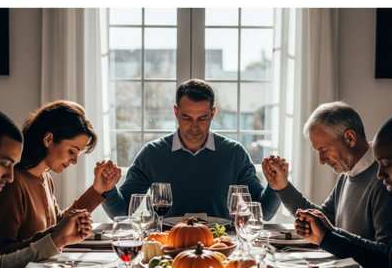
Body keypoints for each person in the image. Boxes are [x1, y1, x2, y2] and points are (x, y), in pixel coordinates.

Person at [101, 78, 280, 221]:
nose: (194, 127)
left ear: (213, 113)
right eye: (187, 117)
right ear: (176, 112)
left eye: (202, 118)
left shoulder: (234, 153)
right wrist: (108, 189)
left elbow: (263, 212)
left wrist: (275, 185)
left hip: (221, 246)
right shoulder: (152, 153)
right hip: (166, 245)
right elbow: (121, 211)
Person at [294, 111, 392, 268]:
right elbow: (385, 260)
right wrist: (329, 235)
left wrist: (329, 237)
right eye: (378, 164)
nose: (379, 174)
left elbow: (382, 262)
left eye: (386, 164)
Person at [0, 109, 93, 268]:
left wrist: (57, 239)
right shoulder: (6, 189)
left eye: (14, 166)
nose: (10, 177)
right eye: (4, 164)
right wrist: (54, 238)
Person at [262, 101, 392, 251]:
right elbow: (324, 219)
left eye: (324, 149)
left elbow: (385, 253)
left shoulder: (384, 180)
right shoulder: (347, 174)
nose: (321, 160)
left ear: (350, 138)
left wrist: (331, 235)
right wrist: (283, 187)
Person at [0, 100, 121, 253]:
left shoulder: (44, 178)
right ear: (48, 139)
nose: (74, 161)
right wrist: (57, 237)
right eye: (72, 151)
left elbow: (58, 224)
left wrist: (98, 189)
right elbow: (4, 253)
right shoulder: (13, 182)